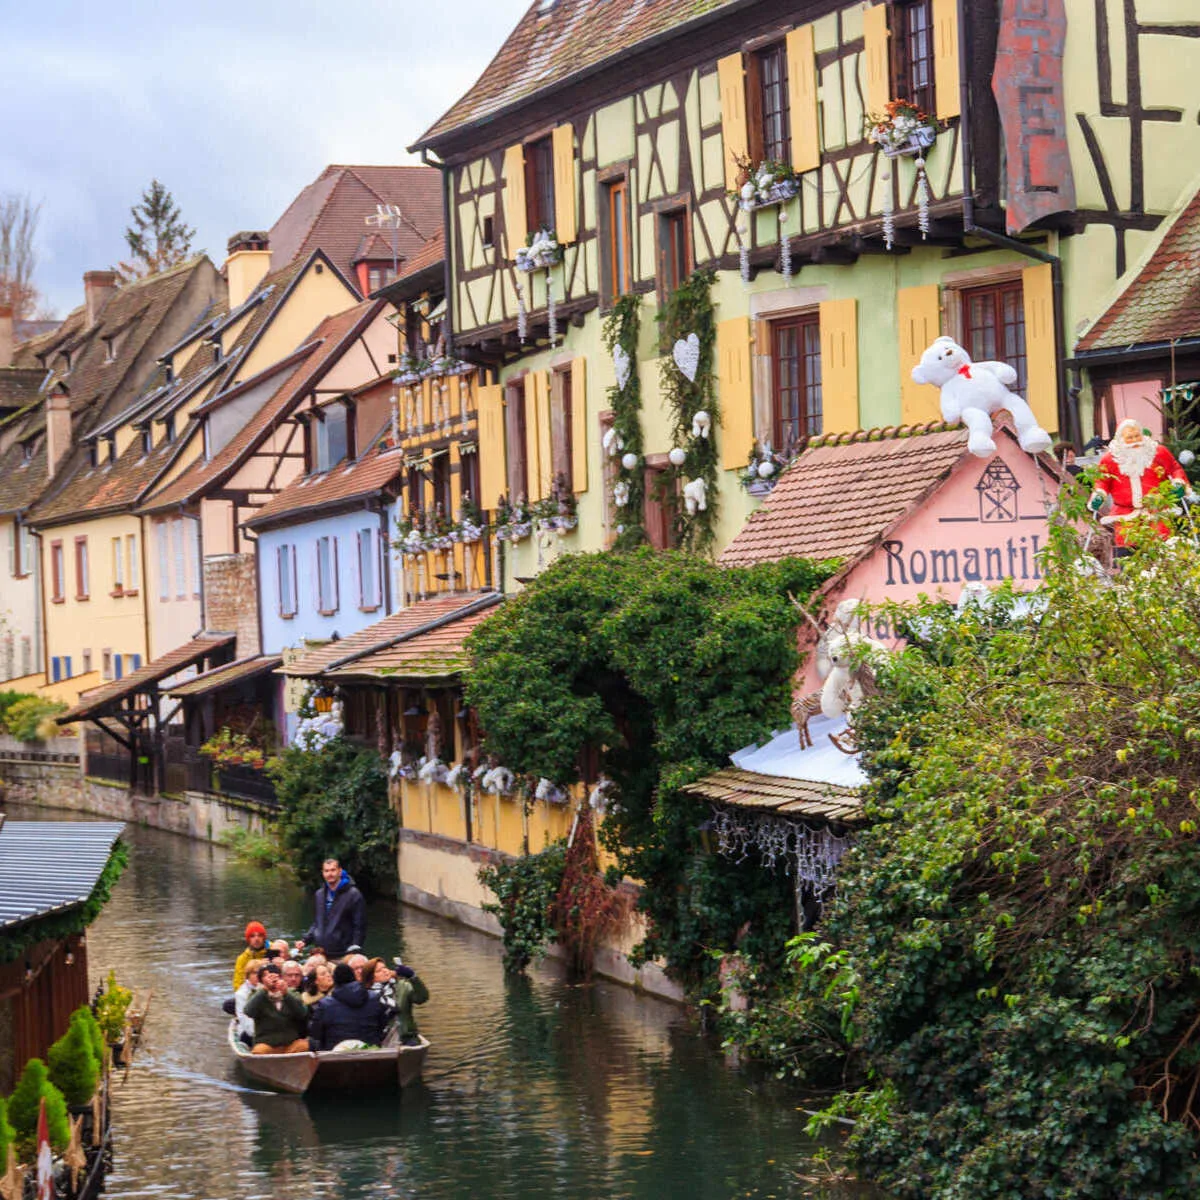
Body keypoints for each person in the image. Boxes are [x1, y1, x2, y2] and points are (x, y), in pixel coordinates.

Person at [1089, 419, 1194, 548]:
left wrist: (1179, 483)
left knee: (1162, 543)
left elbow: (1174, 469)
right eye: (1130, 437)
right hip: (1125, 513)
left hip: (1157, 510)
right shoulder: (1110, 459)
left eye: (1137, 436)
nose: (1135, 441)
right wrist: (1099, 495)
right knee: (1127, 546)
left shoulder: (1157, 452)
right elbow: (1102, 481)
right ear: (1120, 439)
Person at [295, 858, 366, 960]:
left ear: (339, 871)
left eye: (333, 870)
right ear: (323, 873)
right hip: (321, 953)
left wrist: (355, 948)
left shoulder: (353, 894)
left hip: (343, 954)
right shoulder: (319, 894)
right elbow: (317, 923)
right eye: (326, 871)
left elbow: (359, 926)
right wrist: (305, 940)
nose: (330, 874)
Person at [307, 962, 386, 1051]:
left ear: (335, 980)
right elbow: (382, 1025)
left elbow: (316, 1033)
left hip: (334, 1054)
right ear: (353, 977)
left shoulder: (325, 1004)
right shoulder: (374, 998)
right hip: (371, 1051)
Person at [244, 963, 310, 1055]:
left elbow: (302, 1013)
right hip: (266, 1044)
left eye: (276, 977)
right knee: (259, 1051)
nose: (273, 981)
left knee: (304, 1045)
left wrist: (286, 994)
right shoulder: (257, 994)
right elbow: (248, 1011)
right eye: (269, 978)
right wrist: (265, 989)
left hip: (291, 1044)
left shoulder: (292, 993)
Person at [364, 957, 428, 1044]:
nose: (385, 971)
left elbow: (422, 998)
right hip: (381, 1040)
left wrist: (413, 978)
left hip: (407, 1038)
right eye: (379, 971)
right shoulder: (367, 994)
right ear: (371, 977)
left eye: (384, 967)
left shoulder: (402, 986)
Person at [232, 921, 268, 989]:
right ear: (248, 939)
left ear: (264, 938)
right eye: (252, 936)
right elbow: (238, 986)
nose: (256, 939)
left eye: (260, 935)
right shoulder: (242, 959)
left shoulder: (275, 949)